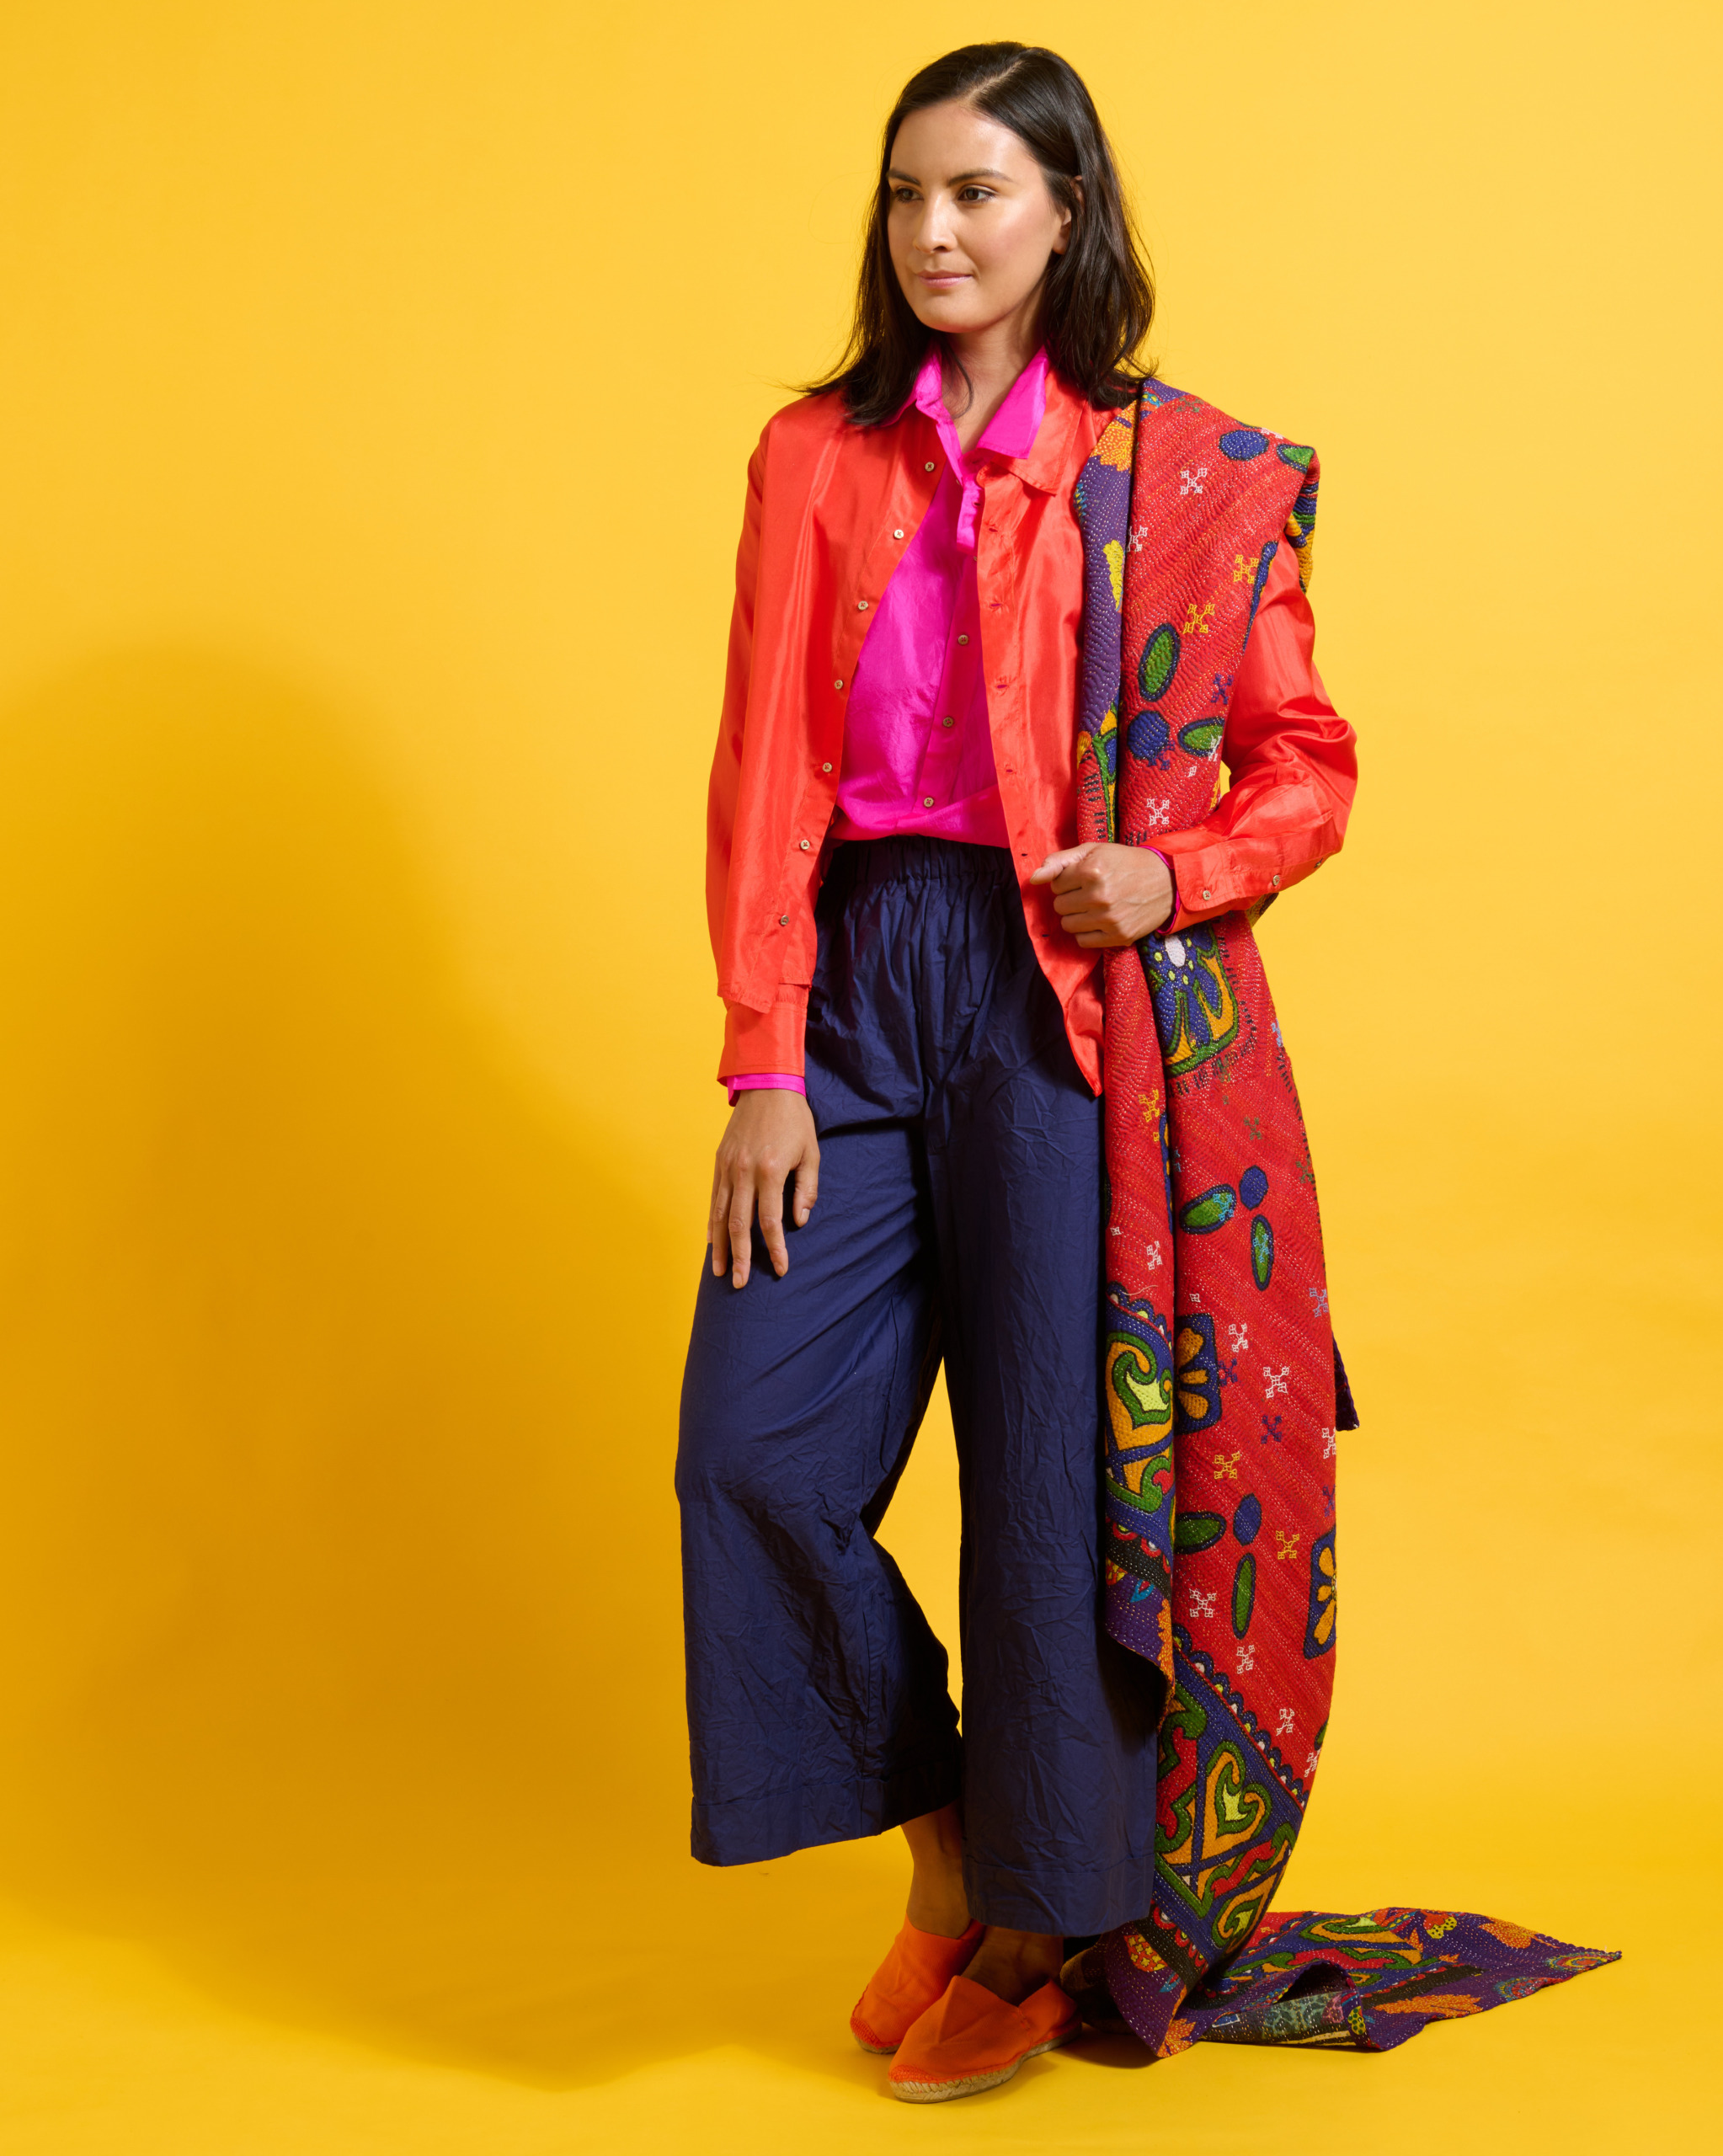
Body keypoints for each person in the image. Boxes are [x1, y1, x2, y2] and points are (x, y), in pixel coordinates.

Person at [676, 42, 1356, 2101]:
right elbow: (762, 768)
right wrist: (764, 1055)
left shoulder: (1172, 473)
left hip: (1063, 997)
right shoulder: (814, 454)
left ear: (1067, 213)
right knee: (753, 1451)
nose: (935, 230)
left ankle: (1051, 1920)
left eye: (978, 190)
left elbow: (1305, 763)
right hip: (857, 976)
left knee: (1054, 1481)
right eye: (907, 194)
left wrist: (1175, 872)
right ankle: (949, 1848)